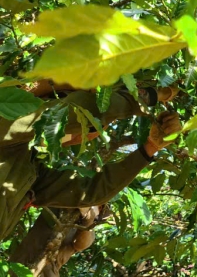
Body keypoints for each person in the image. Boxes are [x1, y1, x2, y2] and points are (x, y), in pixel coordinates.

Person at [0, 81, 181, 243]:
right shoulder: (8, 124)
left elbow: (91, 191)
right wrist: (150, 96)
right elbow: (90, 110)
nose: (85, 138)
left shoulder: (25, 168)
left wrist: (150, 148)